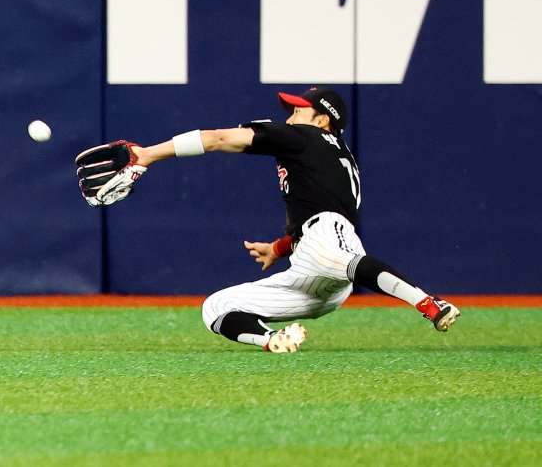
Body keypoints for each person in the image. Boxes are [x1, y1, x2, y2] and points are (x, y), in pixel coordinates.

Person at [76, 87, 460, 353]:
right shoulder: (333, 154)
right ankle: (272, 340)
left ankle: (429, 303)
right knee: (216, 307)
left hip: (327, 240)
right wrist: (279, 247)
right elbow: (317, 209)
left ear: (322, 121)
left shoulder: (306, 138)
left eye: (298, 111)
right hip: (315, 269)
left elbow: (217, 139)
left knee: (342, 259)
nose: (290, 118)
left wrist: (148, 155)